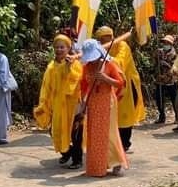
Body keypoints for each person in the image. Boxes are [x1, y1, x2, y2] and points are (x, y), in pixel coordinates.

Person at [33, 34, 84, 169]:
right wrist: (44, 103)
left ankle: (77, 159)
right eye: (57, 47)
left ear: (68, 48)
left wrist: (68, 69)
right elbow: (46, 86)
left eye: (62, 47)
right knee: (55, 131)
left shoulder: (76, 64)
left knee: (75, 132)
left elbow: (76, 81)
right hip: (56, 104)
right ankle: (66, 152)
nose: (59, 50)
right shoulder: (51, 66)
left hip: (72, 104)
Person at [79, 39, 128, 177]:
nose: (92, 61)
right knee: (94, 135)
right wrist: (83, 101)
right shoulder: (86, 67)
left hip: (107, 103)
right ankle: (98, 165)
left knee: (109, 133)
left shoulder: (109, 65)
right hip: (93, 103)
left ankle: (117, 162)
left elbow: (120, 83)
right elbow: (83, 85)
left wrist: (106, 78)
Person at [95, 27, 144, 152]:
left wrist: (104, 60)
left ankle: (125, 143)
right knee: (113, 115)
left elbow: (119, 63)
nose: (102, 41)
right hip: (110, 85)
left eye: (104, 38)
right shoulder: (101, 48)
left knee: (125, 115)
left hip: (127, 84)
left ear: (110, 36)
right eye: (100, 39)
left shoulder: (123, 46)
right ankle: (115, 143)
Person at [154, 35, 178, 124]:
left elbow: (174, 67)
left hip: (171, 80)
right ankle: (161, 116)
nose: (165, 44)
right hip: (160, 80)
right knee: (159, 98)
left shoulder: (174, 54)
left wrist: (166, 76)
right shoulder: (159, 52)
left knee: (174, 99)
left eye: (167, 43)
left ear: (171, 44)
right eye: (164, 42)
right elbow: (156, 64)